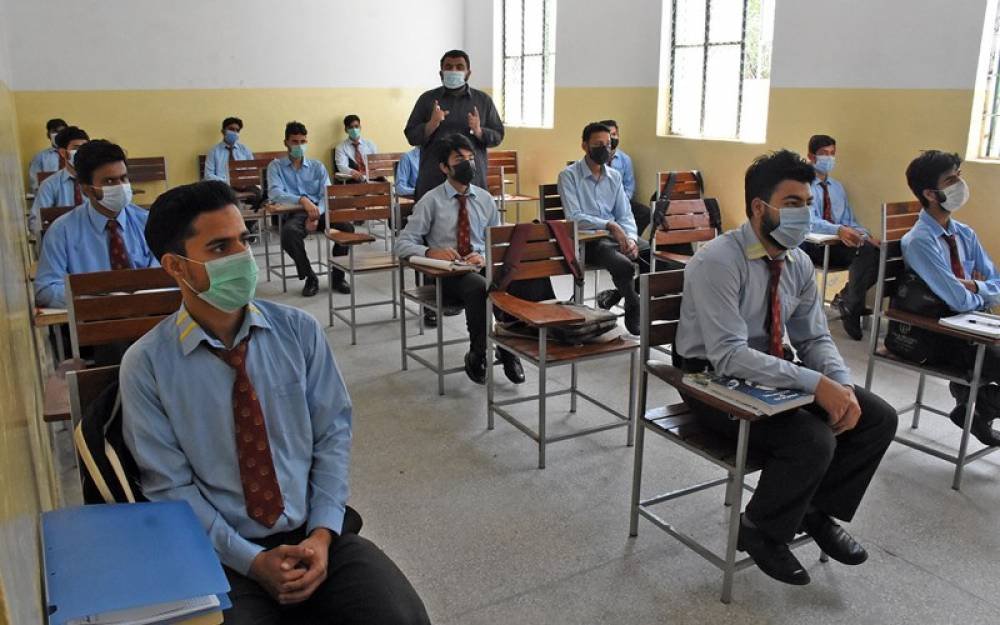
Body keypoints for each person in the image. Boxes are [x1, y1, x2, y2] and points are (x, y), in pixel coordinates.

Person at [121, 180, 430, 625]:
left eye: (244, 239)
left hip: (315, 534)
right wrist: (251, 561)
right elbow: (171, 488)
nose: (243, 257)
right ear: (177, 267)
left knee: (398, 617)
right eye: (219, 247)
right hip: (223, 557)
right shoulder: (147, 365)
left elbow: (331, 436)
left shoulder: (298, 332)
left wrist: (322, 534)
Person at [672, 149, 896, 586]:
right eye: (793, 203)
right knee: (811, 440)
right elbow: (729, 355)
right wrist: (815, 385)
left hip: (769, 370)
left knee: (876, 418)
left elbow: (813, 338)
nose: (805, 214)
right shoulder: (719, 261)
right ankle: (760, 529)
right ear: (760, 207)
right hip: (708, 379)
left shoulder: (796, 261)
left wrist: (841, 387)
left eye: (809, 203)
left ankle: (815, 509)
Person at [396, 134, 545, 385]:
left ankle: (508, 347)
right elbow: (402, 244)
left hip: (479, 266)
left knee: (512, 280)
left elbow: (497, 244)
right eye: (459, 159)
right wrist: (430, 252)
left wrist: (485, 256)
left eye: (470, 158)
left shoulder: (485, 199)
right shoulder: (431, 201)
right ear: (444, 167)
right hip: (449, 274)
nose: (467, 164)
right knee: (479, 286)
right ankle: (479, 352)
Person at [895, 150, 1000, 446]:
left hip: (978, 326)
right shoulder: (918, 241)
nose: (960, 185)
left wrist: (976, 289)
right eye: (951, 180)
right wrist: (977, 293)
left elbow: (995, 282)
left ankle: (977, 404)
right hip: (944, 334)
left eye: (959, 177)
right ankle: (981, 406)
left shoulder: (965, 234)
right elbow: (957, 301)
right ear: (930, 193)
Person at [35, 139, 158, 308]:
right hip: (92, 320)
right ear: (86, 189)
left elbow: (167, 273)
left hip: (151, 314)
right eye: (109, 181)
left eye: (123, 178)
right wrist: (98, 297)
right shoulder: (62, 231)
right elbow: (46, 290)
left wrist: (142, 295)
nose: (120, 187)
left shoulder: (148, 222)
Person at [558, 122, 649, 335]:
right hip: (587, 242)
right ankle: (633, 304)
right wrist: (609, 225)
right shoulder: (568, 176)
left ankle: (625, 295)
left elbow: (625, 214)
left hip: (614, 237)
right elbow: (574, 218)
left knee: (653, 257)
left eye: (608, 144)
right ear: (584, 146)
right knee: (624, 265)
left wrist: (632, 239)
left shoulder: (614, 177)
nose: (605, 149)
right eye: (598, 144)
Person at [800, 135, 880, 340]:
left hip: (838, 245)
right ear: (811, 156)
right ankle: (852, 306)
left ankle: (848, 300)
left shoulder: (837, 187)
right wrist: (837, 230)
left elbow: (848, 219)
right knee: (866, 252)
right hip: (814, 246)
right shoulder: (802, 186)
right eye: (824, 154)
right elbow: (809, 221)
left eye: (832, 154)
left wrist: (865, 234)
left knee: (877, 252)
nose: (829, 158)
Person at [404, 49, 504, 201]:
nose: (453, 70)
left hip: (472, 180)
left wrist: (479, 131)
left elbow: (498, 136)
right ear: (441, 73)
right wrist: (431, 124)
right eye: (449, 67)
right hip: (434, 180)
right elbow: (411, 136)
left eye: (459, 67)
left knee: (472, 223)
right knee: (431, 224)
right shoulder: (427, 99)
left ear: (468, 73)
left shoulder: (483, 101)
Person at [267, 121, 352, 297]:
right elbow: (275, 192)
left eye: (302, 142)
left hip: (319, 211)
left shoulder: (317, 167)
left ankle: (337, 277)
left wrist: (315, 215)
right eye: (295, 142)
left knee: (347, 228)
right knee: (289, 234)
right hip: (294, 212)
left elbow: (327, 194)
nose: (299, 146)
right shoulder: (276, 166)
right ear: (286, 142)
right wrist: (302, 200)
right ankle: (310, 276)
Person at [29, 126, 89, 234]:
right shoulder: (49, 185)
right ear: (63, 153)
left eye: (85, 148)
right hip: (63, 240)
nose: (82, 152)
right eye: (76, 148)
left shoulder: (97, 180)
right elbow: (36, 222)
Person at [599, 119, 650, 237]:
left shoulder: (625, 159)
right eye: (608, 135)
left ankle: (631, 238)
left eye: (614, 135)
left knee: (645, 213)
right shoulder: (595, 158)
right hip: (601, 202)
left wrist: (622, 202)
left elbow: (629, 186)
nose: (611, 138)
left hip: (622, 200)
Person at [204, 117, 255, 183]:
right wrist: (228, 182)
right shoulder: (214, 151)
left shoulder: (245, 150)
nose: (235, 132)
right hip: (223, 186)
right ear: (223, 131)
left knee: (258, 192)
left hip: (244, 184)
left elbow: (252, 170)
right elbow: (208, 175)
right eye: (231, 129)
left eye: (237, 130)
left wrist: (244, 181)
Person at [27, 118, 68, 192]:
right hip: (50, 199)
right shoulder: (40, 157)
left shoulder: (76, 154)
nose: (58, 134)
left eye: (61, 131)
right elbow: (35, 184)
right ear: (48, 135)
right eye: (54, 131)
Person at [334, 115, 378, 182]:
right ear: (346, 130)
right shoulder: (341, 147)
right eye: (351, 127)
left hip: (373, 178)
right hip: (354, 181)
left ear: (360, 127)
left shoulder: (370, 144)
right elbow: (342, 167)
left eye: (356, 126)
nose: (354, 129)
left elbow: (376, 162)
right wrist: (354, 173)